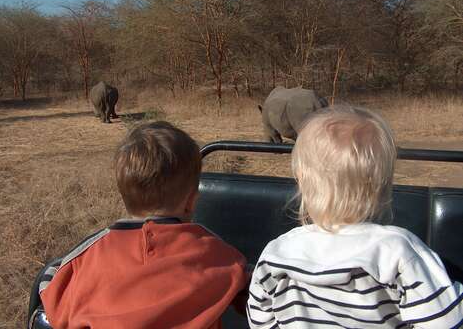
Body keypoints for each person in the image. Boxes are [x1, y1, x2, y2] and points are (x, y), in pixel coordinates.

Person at [247, 106, 463, 328]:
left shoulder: (277, 252)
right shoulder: (398, 250)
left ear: (301, 181)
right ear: (383, 185)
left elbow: (260, 320)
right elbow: (445, 321)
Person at [39, 121, 249, 329]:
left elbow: (52, 300)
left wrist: (53, 276)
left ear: (124, 195)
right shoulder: (213, 252)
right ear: (191, 201)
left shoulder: (87, 256)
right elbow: (253, 288)